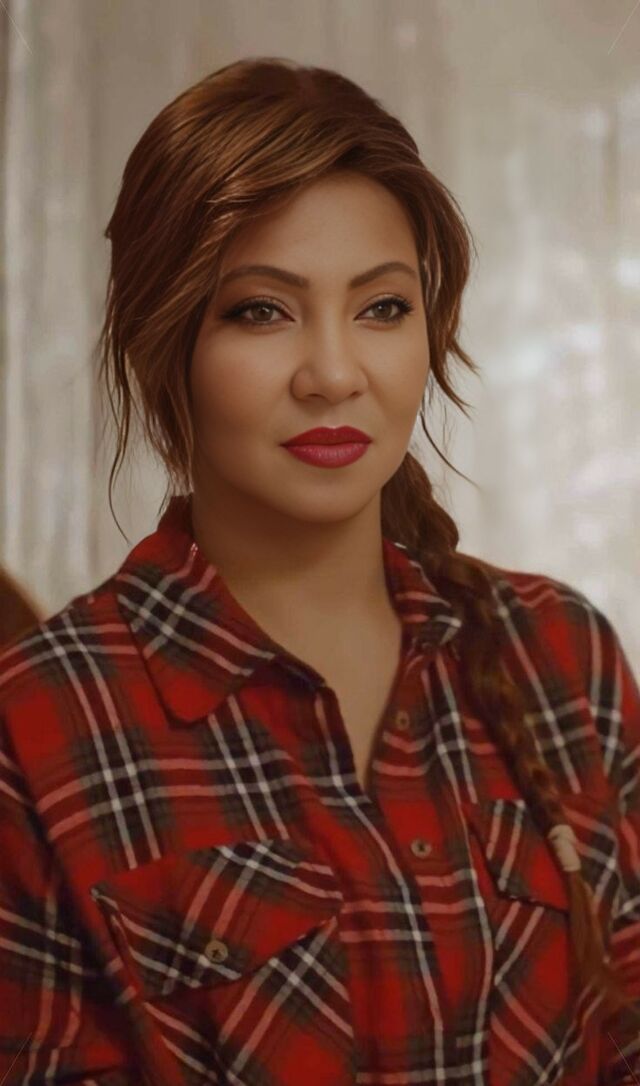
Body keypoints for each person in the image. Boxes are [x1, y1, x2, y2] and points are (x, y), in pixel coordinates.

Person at [0, 56, 638, 1086]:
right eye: (262, 310)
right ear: (165, 342)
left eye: (382, 308)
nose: (335, 374)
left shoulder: (560, 656)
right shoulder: (41, 722)